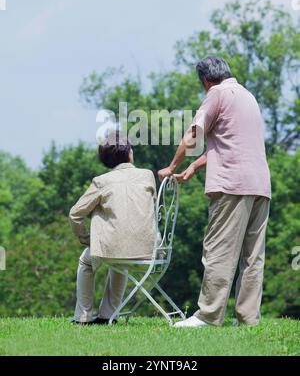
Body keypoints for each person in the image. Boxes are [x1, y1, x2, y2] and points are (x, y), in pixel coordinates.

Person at [158, 55, 271, 328]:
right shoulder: (247, 96)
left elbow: (192, 136)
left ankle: (208, 316)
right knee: (252, 257)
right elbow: (229, 143)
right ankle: (247, 319)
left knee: (219, 249)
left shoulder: (216, 94)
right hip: (259, 185)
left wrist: (172, 166)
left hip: (231, 184)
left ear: (206, 80)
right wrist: (195, 166)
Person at [69, 133, 157, 325]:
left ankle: (83, 316)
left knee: (86, 262)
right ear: (130, 154)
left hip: (111, 248)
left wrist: (86, 239)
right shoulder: (148, 175)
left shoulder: (101, 181)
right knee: (120, 260)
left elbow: (75, 214)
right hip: (148, 249)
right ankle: (108, 315)